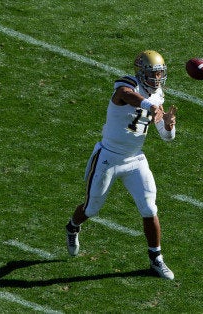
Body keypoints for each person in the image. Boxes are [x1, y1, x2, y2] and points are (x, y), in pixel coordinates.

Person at [65, 50, 177, 280]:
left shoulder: (157, 95)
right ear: (141, 72)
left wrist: (168, 126)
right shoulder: (128, 85)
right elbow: (124, 95)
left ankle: (156, 259)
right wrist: (149, 104)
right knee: (91, 208)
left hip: (135, 158)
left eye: (159, 74)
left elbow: (165, 137)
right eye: (152, 73)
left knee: (149, 208)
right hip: (108, 157)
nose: (156, 79)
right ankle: (72, 226)